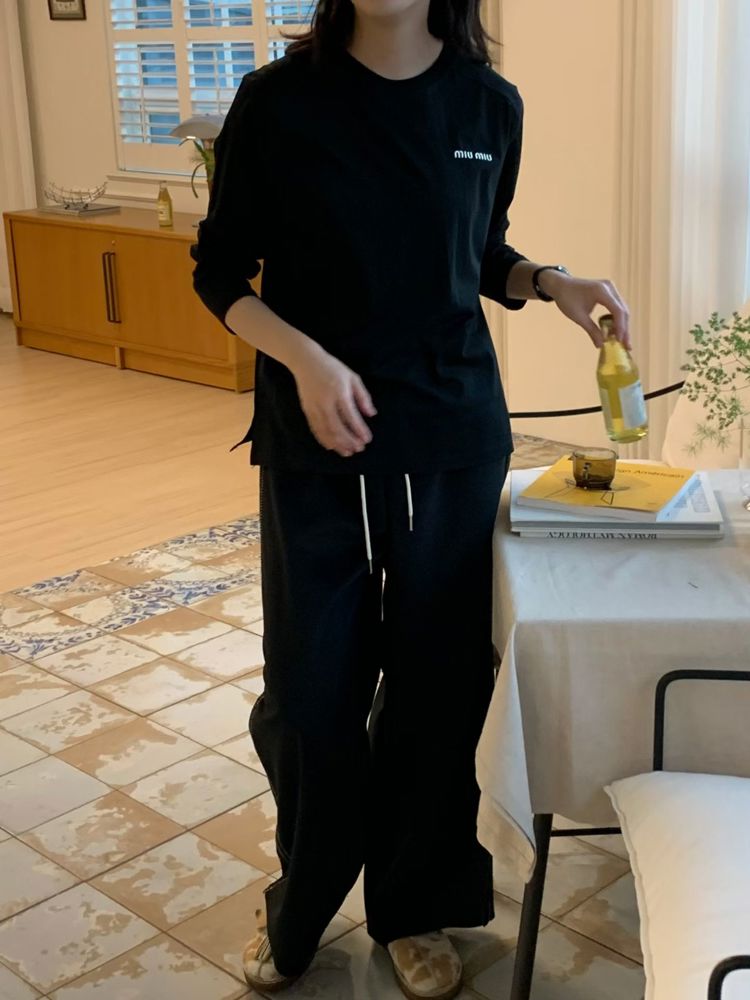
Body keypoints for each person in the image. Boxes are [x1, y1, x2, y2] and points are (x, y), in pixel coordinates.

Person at [189, 0, 631, 994]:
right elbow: (219, 273)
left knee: (437, 689)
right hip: (320, 441)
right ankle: (302, 903)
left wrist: (549, 281)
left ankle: (414, 904)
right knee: (311, 695)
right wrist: (304, 360)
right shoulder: (276, 101)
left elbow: (476, 253)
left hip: (450, 434)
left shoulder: (489, 105)